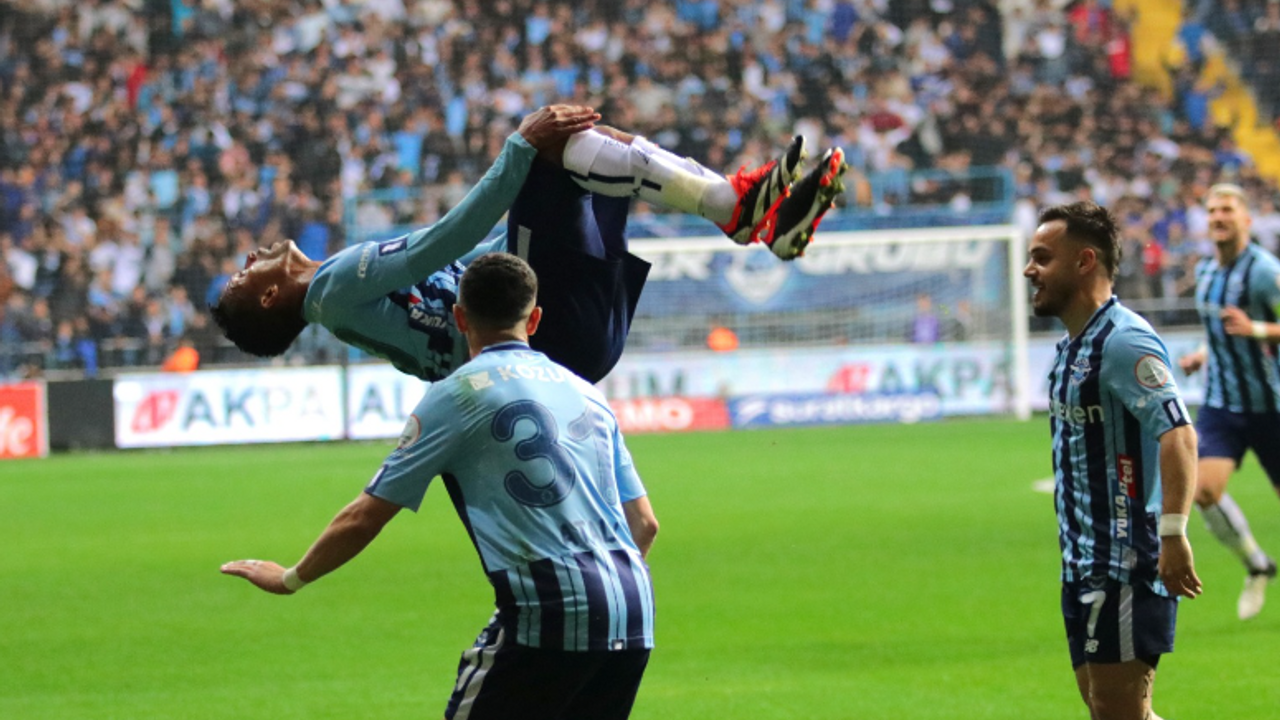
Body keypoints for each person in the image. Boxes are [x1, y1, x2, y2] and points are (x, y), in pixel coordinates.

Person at [222, 253, 659, 720]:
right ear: (533, 319)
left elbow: (364, 516)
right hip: (633, 612)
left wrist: (290, 578)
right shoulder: (586, 392)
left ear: (458, 316)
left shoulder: (456, 394)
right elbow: (646, 525)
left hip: (549, 603)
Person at [211, 104, 848, 383]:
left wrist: (523, 197)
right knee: (547, 143)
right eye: (243, 279)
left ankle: (745, 208)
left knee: (589, 147)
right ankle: (736, 208)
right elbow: (445, 241)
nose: (247, 261)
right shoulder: (332, 286)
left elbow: (463, 259)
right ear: (270, 299)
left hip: (564, 342)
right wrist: (516, 148)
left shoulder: (344, 306)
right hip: (544, 336)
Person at [1024, 201, 1201, 720]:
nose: (1030, 269)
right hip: (1081, 561)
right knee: (1111, 709)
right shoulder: (1068, 349)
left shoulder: (1124, 341)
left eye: (1041, 257)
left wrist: (1173, 532)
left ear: (1083, 261)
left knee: (1117, 711)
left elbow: (1179, 433)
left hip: (1123, 562)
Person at [1176, 182, 1280, 620]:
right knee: (1202, 491)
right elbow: (1220, 331)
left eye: (1228, 210)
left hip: (1272, 405)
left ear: (1246, 220)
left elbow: (1255, 328)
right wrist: (1204, 353)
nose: (1219, 217)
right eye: (1213, 210)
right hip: (1222, 403)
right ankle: (1257, 563)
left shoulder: (1263, 271)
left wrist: (1256, 329)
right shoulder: (1205, 273)